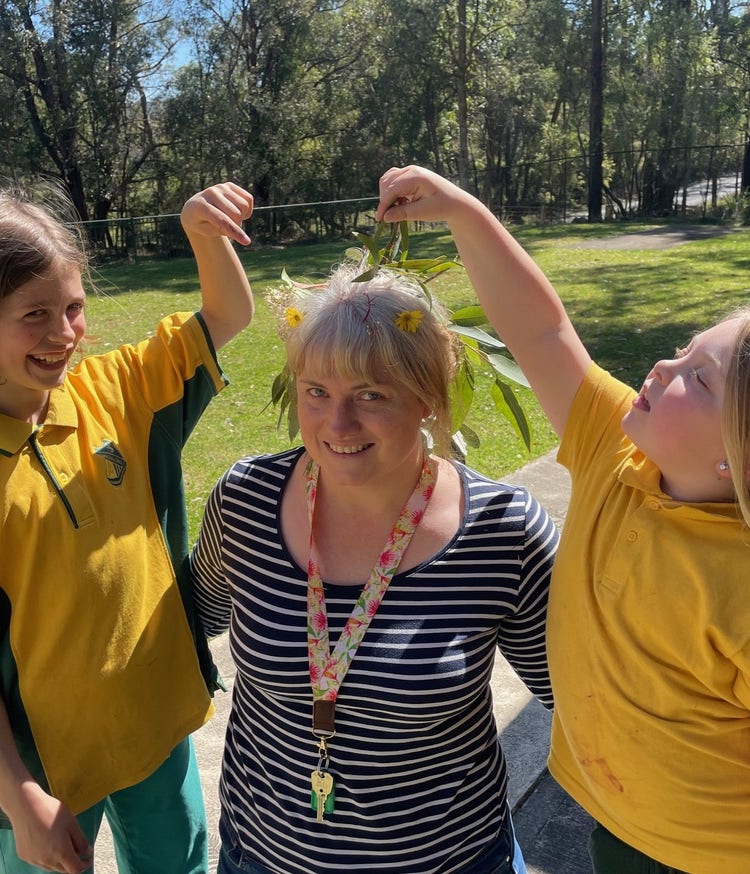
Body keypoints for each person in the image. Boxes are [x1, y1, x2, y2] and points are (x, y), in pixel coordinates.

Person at [375, 165, 750, 874]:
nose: (661, 367)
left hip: (713, 853)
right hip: (617, 827)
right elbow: (541, 331)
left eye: (698, 378)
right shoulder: (617, 451)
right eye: (683, 351)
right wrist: (464, 213)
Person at [190, 257, 558, 874]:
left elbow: (580, 697)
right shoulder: (246, 500)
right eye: (317, 392)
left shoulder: (503, 529)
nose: (337, 424)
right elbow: (191, 620)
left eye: (371, 394)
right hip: (262, 856)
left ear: (428, 398)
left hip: (450, 861)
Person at [0, 180, 256, 874]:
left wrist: (203, 234)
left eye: (74, 307)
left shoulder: (117, 391)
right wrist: (20, 800)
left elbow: (228, 314)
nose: (63, 334)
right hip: (39, 771)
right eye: (34, 314)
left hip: (156, 723)